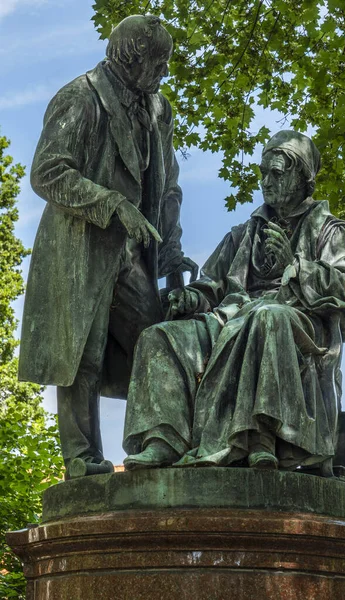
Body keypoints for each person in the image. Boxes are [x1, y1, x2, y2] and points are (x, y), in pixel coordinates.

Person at [123, 130, 345, 473]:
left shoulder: (333, 232)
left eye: (277, 173)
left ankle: (261, 438)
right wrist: (191, 296)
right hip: (232, 316)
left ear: (303, 179)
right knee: (160, 336)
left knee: (267, 317)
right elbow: (212, 284)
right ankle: (163, 439)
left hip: (298, 322)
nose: (266, 182)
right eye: (263, 173)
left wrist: (296, 268)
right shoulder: (244, 233)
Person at [18, 15, 197, 477]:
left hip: (132, 255)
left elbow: (169, 186)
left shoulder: (160, 109)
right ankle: (80, 460)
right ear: (130, 56)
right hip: (80, 247)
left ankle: (159, 443)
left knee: (155, 344)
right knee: (83, 355)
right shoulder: (81, 97)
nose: (163, 73)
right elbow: (48, 172)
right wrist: (112, 203)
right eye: (158, 63)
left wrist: (172, 251)